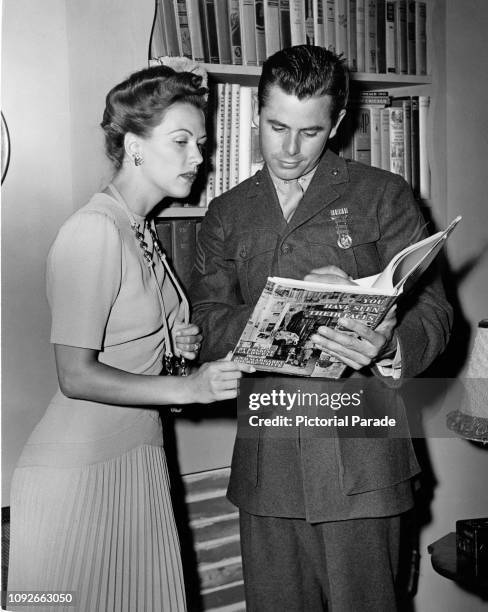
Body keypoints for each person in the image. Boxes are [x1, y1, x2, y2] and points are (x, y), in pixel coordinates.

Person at [189, 46, 453, 611]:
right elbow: (208, 323)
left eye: (309, 133)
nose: (288, 149)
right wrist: (282, 314)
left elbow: (433, 310)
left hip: (363, 461)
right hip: (269, 465)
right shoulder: (226, 213)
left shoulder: (384, 195)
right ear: (256, 113)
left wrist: (389, 344)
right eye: (276, 126)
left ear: (336, 124)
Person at [7, 64, 253, 612]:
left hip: (137, 460)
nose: (199, 158)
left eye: (202, 143)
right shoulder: (93, 230)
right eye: (181, 141)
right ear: (134, 145)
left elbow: (128, 353)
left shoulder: (138, 229)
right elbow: (74, 375)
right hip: (76, 477)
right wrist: (188, 386)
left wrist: (173, 350)